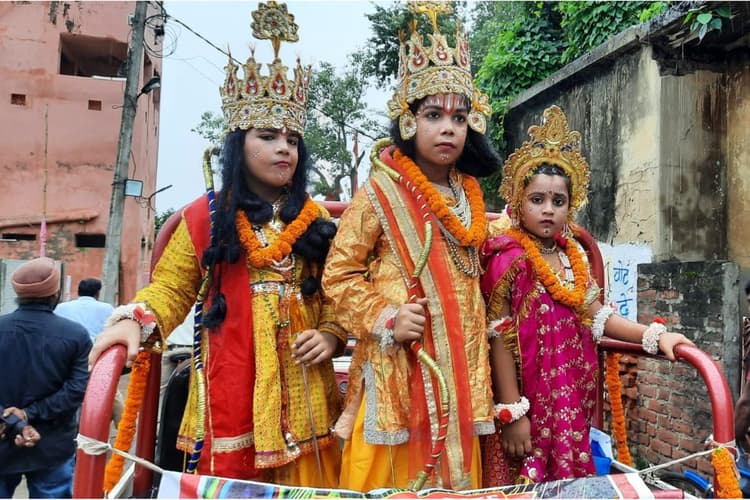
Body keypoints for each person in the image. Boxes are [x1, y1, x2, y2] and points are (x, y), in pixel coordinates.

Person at [88, 1, 346, 487]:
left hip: (308, 394)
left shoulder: (316, 221)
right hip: (232, 388)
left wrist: (331, 334)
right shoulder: (204, 217)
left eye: (292, 140)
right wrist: (133, 321)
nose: (283, 148)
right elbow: (171, 289)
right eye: (267, 136)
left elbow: (338, 293)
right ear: (237, 145)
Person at [322, 4, 500, 491]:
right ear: (407, 121)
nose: (449, 128)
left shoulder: (471, 197)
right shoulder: (380, 192)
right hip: (400, 367)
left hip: (460, 372)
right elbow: (338, 275)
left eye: (459, 117)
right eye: (433, 115)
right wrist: (387, 318)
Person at [479, 105, 694, 485]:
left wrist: (655, 336)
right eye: (537, 200)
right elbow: (498, 336)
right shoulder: (508, 258)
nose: (548, 210)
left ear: (571, 205)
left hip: (570, 398)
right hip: (526, 404)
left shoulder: (573, 257)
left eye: (558, 201)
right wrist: (512, 412)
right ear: (517, 199)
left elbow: (597, 316)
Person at [0, 257, 91, 498]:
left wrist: (13, 421)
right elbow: (76, 390)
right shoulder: (76, 335)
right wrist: (28, 414)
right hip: (52, 446)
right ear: (55, 294)